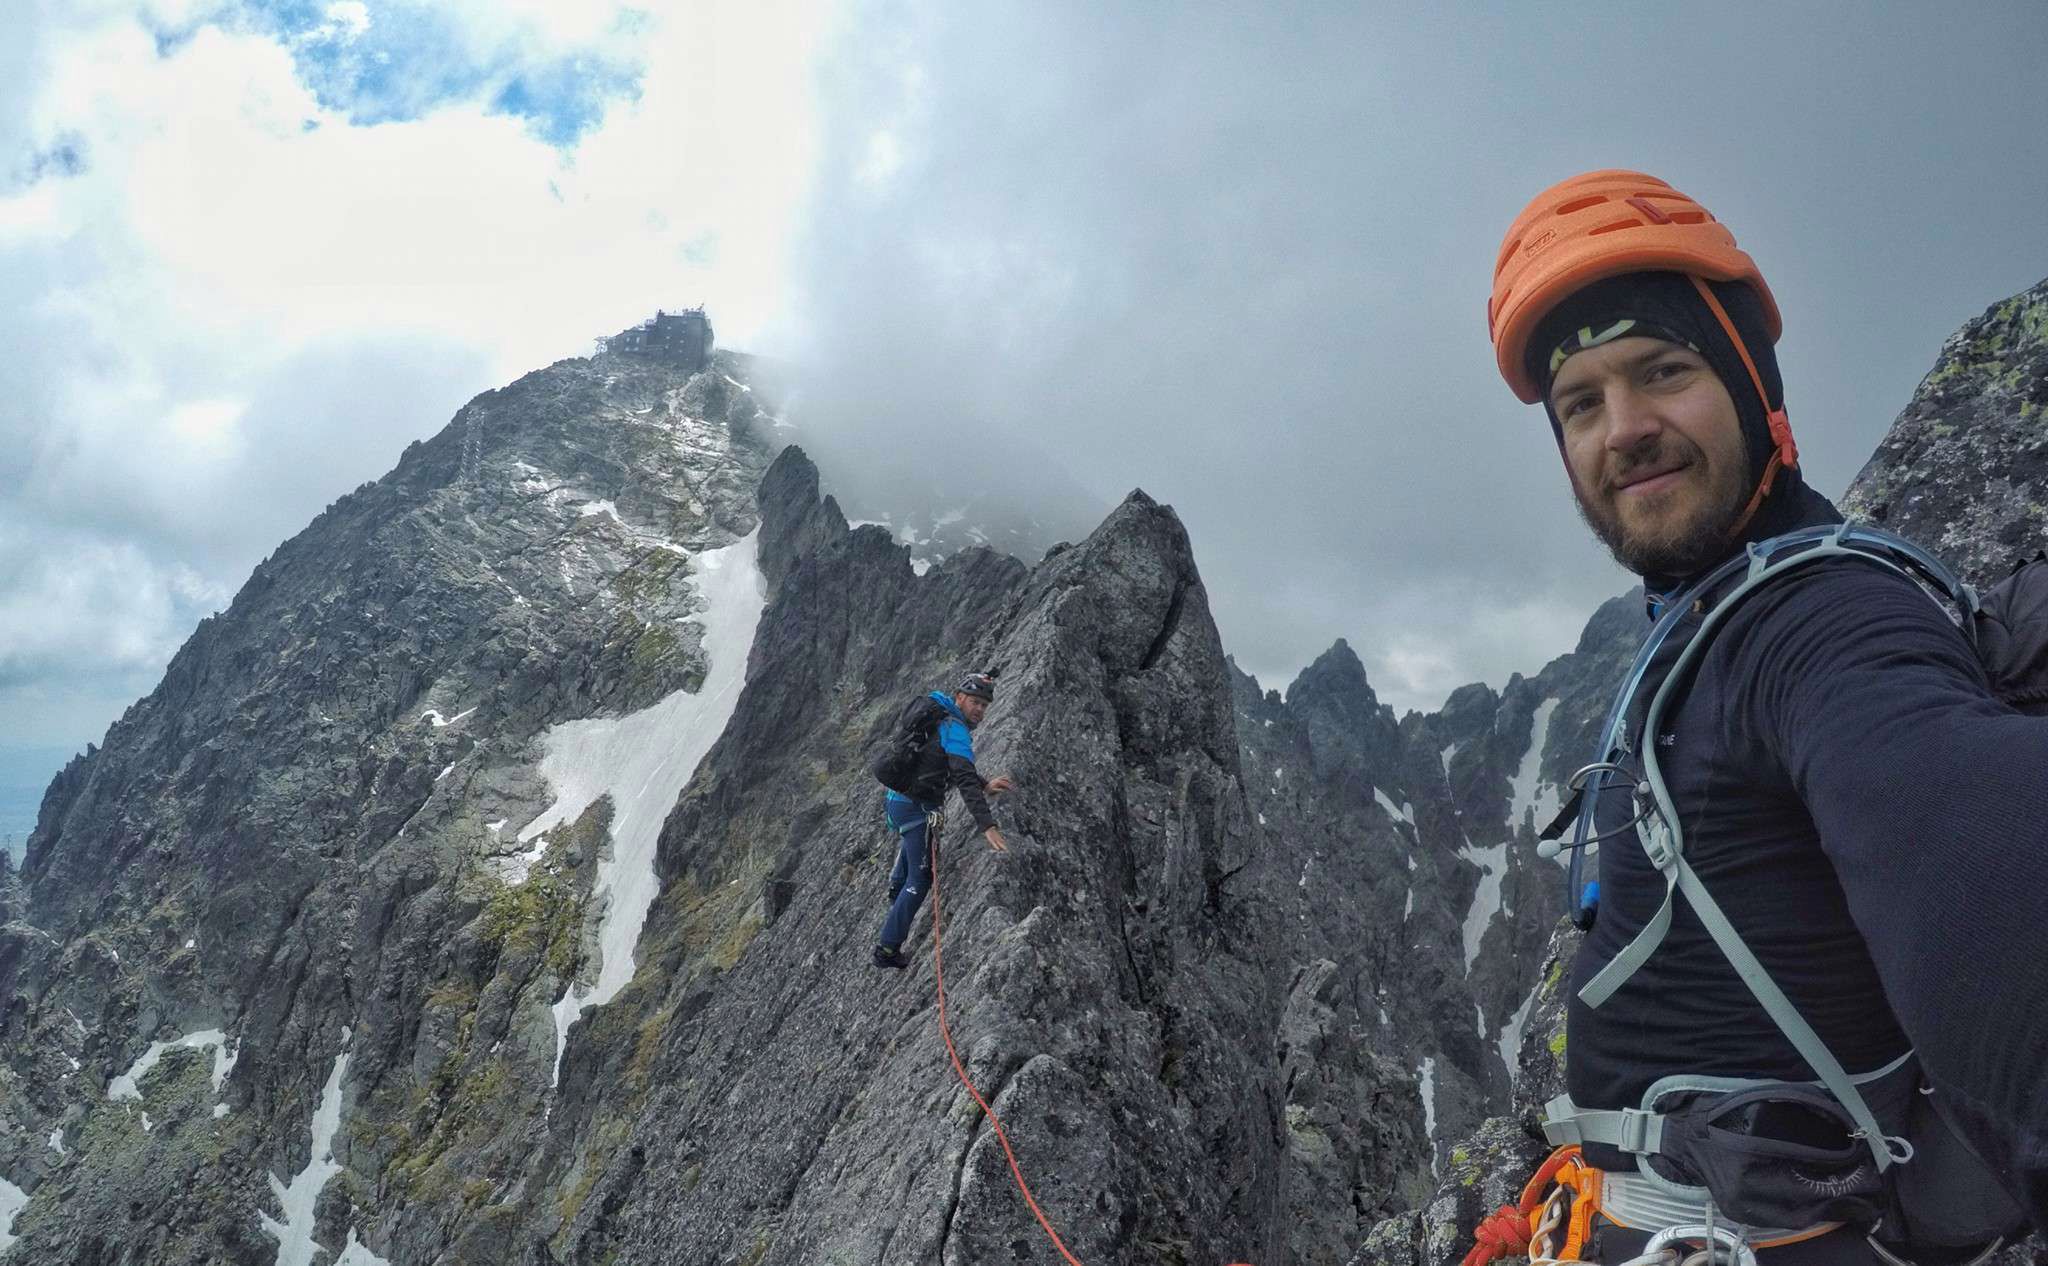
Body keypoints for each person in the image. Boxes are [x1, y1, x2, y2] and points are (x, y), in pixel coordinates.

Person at [1481, 170, 2047, 1262]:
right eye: (1580, 404)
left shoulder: (1816, 624)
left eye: (1662, 371)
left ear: (1751, 385)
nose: (1624, 430)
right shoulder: (1708, 621)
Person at [873, 672, 1013, 970]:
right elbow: (961, 774)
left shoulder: (940, 712)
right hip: (915, 809)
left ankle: (897, 886)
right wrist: (986, 824)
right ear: (960, 698)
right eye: (975, 702)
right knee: (921, 879)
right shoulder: (956, 730)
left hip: (897, 801)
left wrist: (985, 784)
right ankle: (887, 949)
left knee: (912, 852)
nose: (979, 710)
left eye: (984, 705)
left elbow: (942, 761)